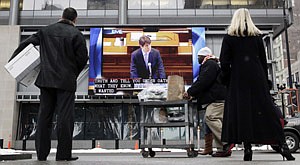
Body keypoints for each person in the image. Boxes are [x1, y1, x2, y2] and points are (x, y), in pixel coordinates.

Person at [9, 7, 88, 161]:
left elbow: (27, 43)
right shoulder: (76, 34)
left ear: (61, 16)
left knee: (44, 116)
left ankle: (41, 154)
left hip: (46, 80)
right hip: (66, 82)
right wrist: (73, 73)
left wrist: (14, 61)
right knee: (65, 119)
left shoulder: (45, 31)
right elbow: (83, 59)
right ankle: (63, 155)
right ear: (75, 20)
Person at [218, 8, 295, 161]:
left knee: (243, 113)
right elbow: (263, 61)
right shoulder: (257, 37)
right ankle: (282, 145)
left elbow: (224, 63)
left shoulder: (229, 38)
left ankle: (247, 148)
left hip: (238, 81)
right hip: (257, 79)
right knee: (266, 112)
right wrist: (264, 81)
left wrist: (226, 80)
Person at [183, 47, 233, 157]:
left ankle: (227, 141)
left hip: (216, 98)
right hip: (219, 97)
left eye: (199, 57)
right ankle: (221, 149)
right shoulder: (213, 64)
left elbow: (204, 81)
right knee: (211, 123)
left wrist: (190, 91)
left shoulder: (209, 64)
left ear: (204, 56)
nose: (198, 60)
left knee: (211, 118)